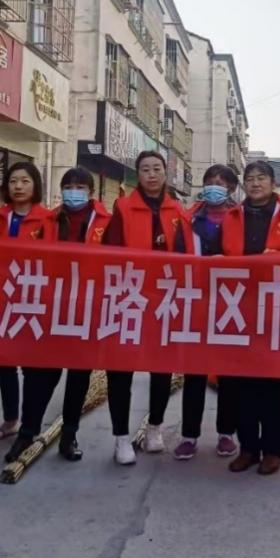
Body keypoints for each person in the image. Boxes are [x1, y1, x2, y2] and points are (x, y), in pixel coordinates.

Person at [5, 166, 109, 464]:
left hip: (86, 307)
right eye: (68, 187)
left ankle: (69, 435)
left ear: (91, 192)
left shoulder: (107, 223)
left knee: (78, 376)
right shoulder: (46, 220)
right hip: (50, 307)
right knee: (40, 374)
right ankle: (27, 432)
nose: (73, 192)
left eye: (80, 187)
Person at [223, 160, 280, 475]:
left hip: (275, 309)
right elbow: (213, 255)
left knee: (269, 382)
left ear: (273, 183)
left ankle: (273, 450)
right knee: (241, 383)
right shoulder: (232, 216)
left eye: (261, 178)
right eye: (250, 178)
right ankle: (248, 448)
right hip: (238, 308)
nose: (255, 183)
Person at [102, 150, 193, 465]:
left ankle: (155, 427)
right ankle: (121, 437)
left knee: (162, 367)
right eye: (145, 169)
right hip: (129, 297)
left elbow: (186, 255)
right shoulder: (123, 208)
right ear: (137, 174)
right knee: (120, 369)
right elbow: (108, 253)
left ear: (166, 173)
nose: (151, 175)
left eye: (157, 169)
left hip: (164, 299)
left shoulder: (178, 211)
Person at [175, 164, 241, 462]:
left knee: (229, 374)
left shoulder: (241, 217)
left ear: (232, 188)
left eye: (222, 182)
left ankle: (227, 433)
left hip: (232, 304)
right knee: (195, 373)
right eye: (210, 181)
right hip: (197, 302)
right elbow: (177, 257)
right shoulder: (188, 219)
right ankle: (189, 436)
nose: (215, 186)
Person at [0, 162, 52, 446]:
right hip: (2, 297)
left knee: (31, 366)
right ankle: (10, 420)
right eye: (13, 181)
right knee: (5, 363)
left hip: (34, 298)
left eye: (25, 181)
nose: (18, 186)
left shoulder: (48, 219)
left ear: (35, 185)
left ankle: (29, 423)